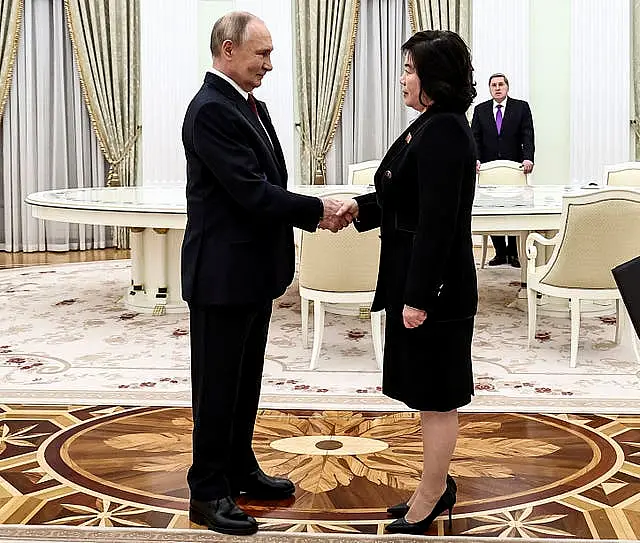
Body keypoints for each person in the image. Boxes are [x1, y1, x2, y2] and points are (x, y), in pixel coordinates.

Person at [181, 11, 347, 535]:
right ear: (228, 50)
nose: (270, 65)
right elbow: (251, 192)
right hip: (221, 276)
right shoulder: (210, 109)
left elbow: (270, 179)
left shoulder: (250, 105)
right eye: (263, 54)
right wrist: (316, 210)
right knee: (216, 387)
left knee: (244, 380)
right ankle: (207, 490)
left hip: (250, 272)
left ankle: (238, 466)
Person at [337, 30, 477, 534]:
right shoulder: (430, 125)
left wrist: (419, 298)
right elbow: (402, 196)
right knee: (425, 394)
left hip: (435, 291)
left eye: (410, 70)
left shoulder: (445, 132)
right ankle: (433, 485)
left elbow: (438, 224)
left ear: (434, 79)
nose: (402, 79)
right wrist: (359, 208)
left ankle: (434, 493)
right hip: (416, 281)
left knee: (438, 398)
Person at [471, 73, 535, 268]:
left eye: (501, 84)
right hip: (489, 168)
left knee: (515, 207)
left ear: (507, 87)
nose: (497, 88)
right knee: (493, 207)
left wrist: (528, 157)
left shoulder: (521, 107)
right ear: (490, 89)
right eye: (493, 85)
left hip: (514, 166)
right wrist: (475, 159)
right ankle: (500, 253)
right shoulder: (481, 110)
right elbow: (475, 137)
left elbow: (528, 133)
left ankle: (514, 254)